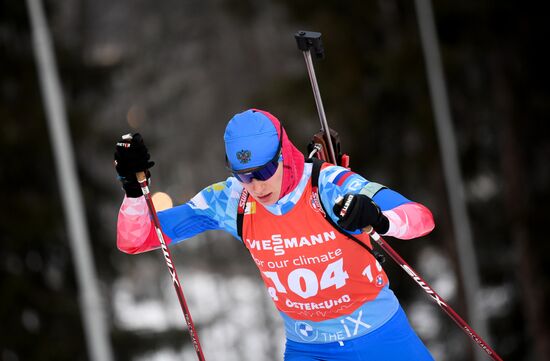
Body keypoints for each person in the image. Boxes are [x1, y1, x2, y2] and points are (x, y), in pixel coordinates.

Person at [114, 108, 436, 360]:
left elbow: (421, 218)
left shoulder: (327, 184)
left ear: (284, 153)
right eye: (244, 175)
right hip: (309, 348)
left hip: (379, 335)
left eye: (266, 170)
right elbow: (137, 239)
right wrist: (133, 191)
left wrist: (378, 218)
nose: (258, 186)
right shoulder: (231, 200)